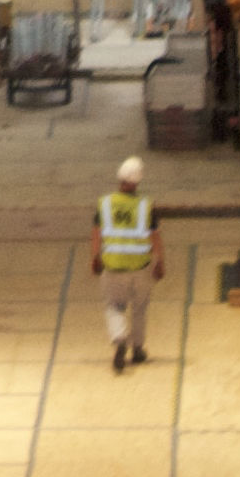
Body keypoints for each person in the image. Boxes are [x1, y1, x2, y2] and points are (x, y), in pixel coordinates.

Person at [97, 155, 156, 372]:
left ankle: (120, 338)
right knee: (140, 308)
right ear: (138, 181)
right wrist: (160, 262)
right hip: (140, 267)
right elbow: (155, 235)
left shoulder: (104, 204)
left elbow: (97, 233)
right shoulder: (145, 205)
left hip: (112, 266)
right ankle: (138, 349)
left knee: (114, 306)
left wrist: (95, 257)